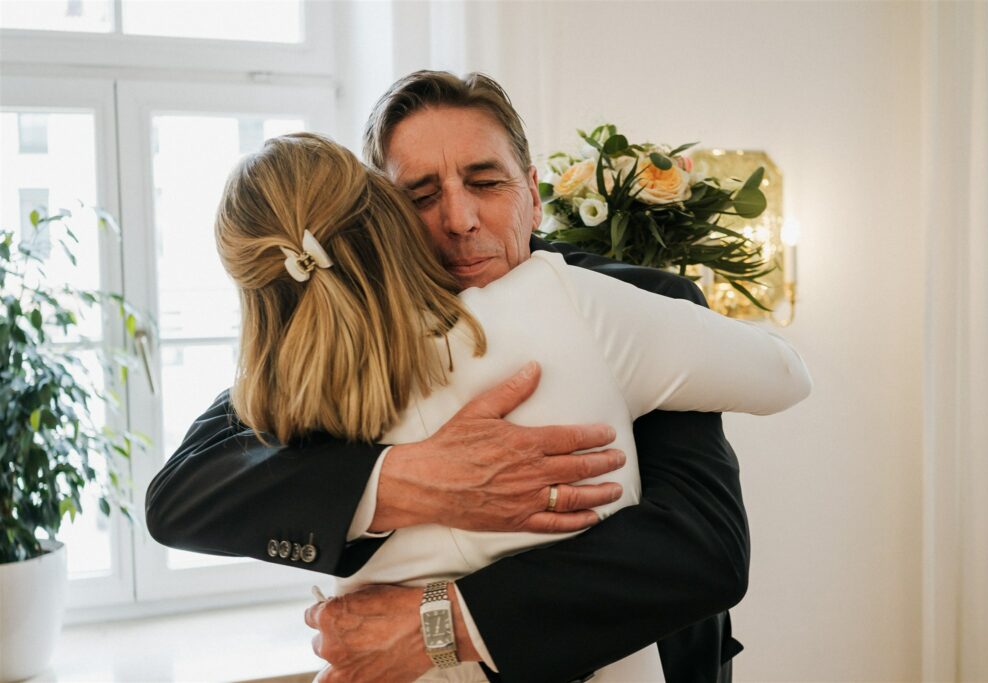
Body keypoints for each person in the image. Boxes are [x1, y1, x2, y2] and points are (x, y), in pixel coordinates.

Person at [147, 71, 786, 683]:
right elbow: (185, 493)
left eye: (484, 182)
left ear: (533, 194)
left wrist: (441, 623)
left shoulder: (632, 302)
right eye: (421, 197)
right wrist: (403, 480)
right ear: (383, 219)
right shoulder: (354, 336)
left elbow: (703, 551)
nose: (459, 219)